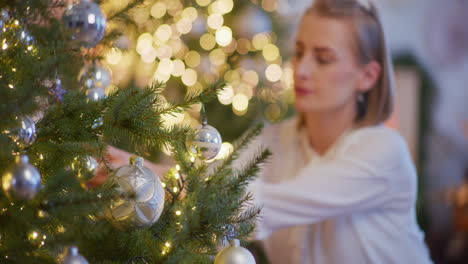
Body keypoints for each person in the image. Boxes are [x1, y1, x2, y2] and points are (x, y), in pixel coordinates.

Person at [244, 0, 433, 263]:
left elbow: (259, 206)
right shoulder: (271, 141)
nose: (302, 70)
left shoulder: (383, 152)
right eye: (299, 53)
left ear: (367, 76)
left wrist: (181, 189)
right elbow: (216, 179)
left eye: (323, 59)